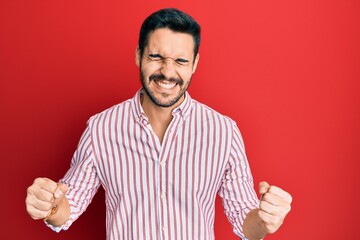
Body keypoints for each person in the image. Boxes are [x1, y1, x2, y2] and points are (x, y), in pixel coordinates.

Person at [25, 8, 292, 240]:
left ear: (195, 64)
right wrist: (49, 206)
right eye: (156, 57)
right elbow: (67, 207)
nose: (167, 71)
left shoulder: (223, 132)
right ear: (138, 56)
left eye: (180, 61)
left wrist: (265, 219)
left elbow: (246, 222)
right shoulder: (100, 129)